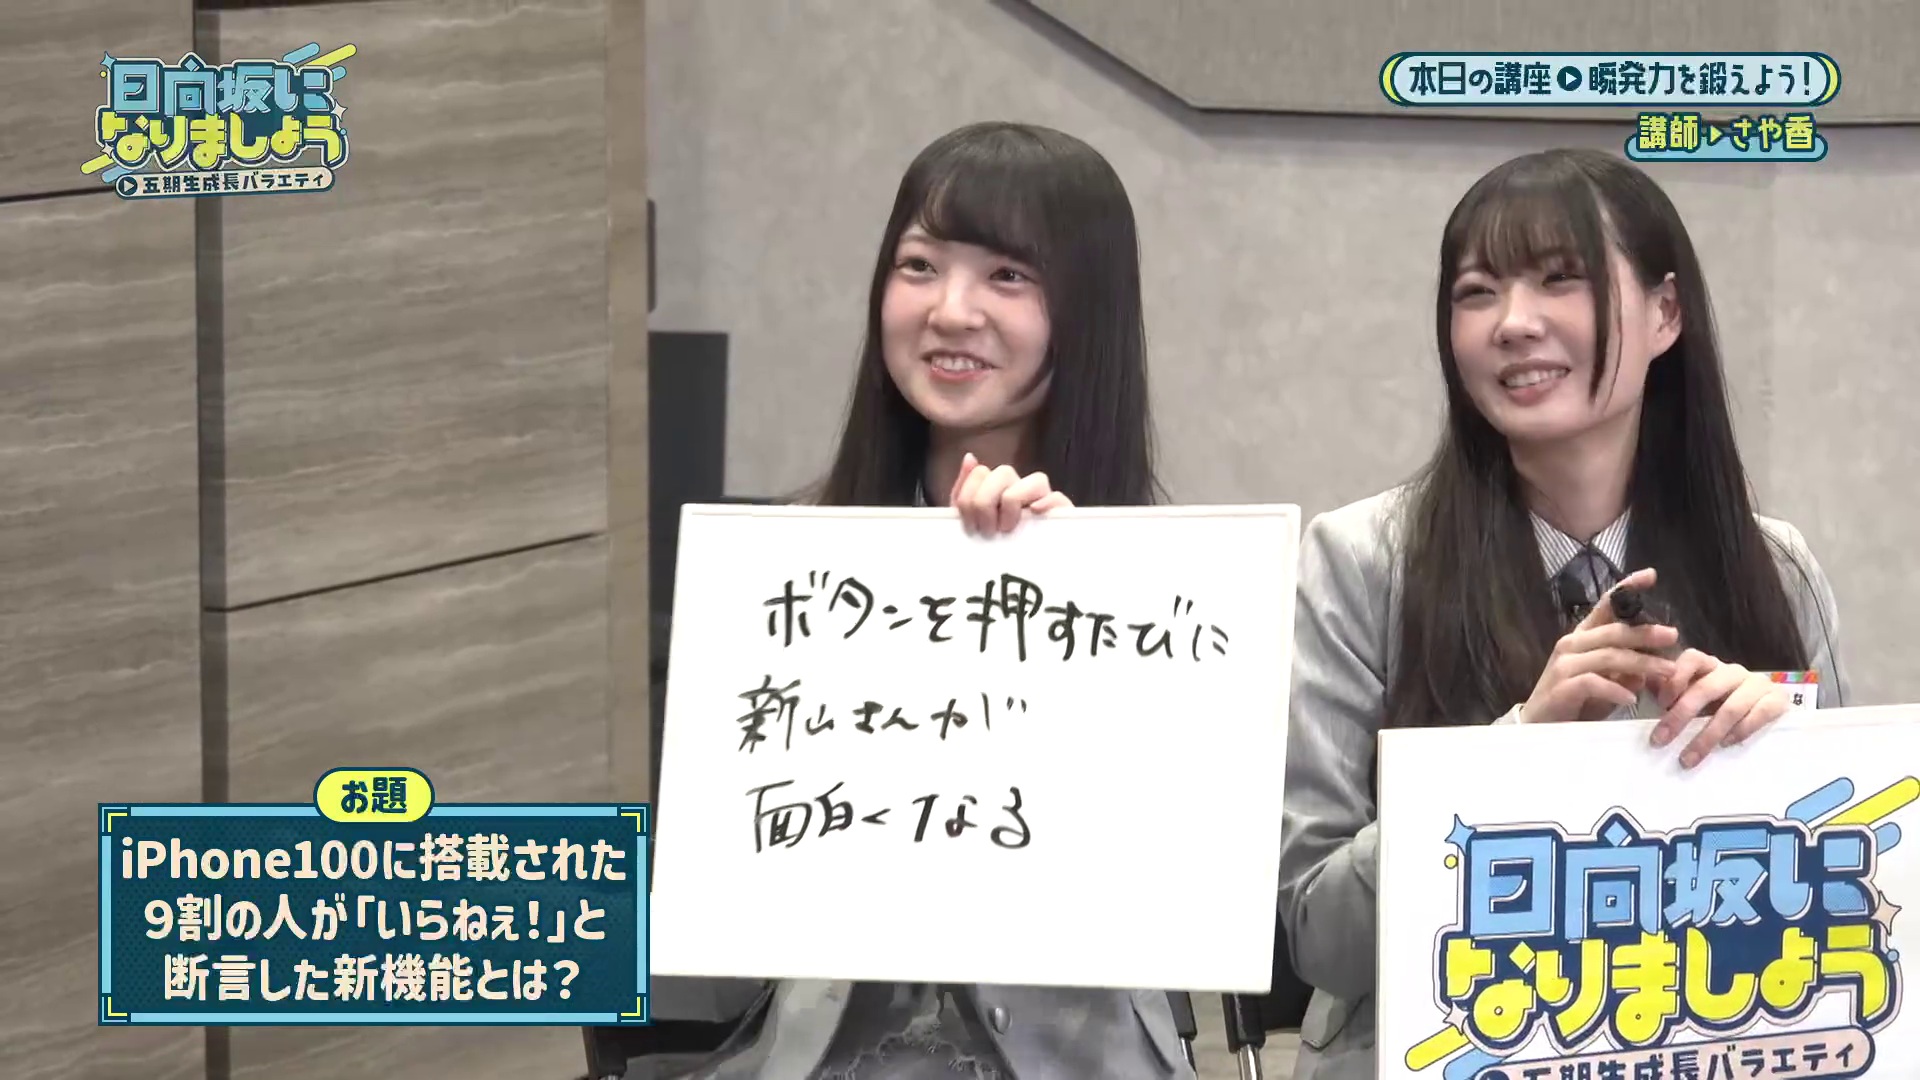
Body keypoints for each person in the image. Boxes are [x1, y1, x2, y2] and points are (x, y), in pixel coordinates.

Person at [1275, 148, 1848, 1080]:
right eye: (1476, 292)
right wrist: (1513, 753)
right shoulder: (1358, 562)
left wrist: (1788, 770)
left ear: (1666, 313)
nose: (1513, 323)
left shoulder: (1774, 571)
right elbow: (1316, 936)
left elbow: (1843, 912)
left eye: (1559, 279)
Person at [651, 121, 1187, 1080]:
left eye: (1008, 276)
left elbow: (1184, 886)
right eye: (919, 266)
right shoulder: (786, 570)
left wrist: (1070, 598)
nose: (951, 311)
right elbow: (724, 921)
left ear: (1089, 309)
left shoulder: (1171, 589)